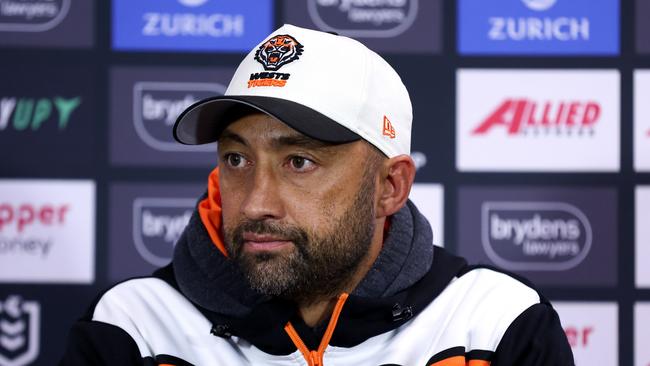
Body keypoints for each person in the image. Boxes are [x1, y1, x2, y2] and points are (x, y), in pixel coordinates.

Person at [60, 24, 574, 366]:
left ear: (389, 187)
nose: (256, 202)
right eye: (236, 159)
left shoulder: (495, 323)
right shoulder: (133, 326)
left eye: (299, 162)